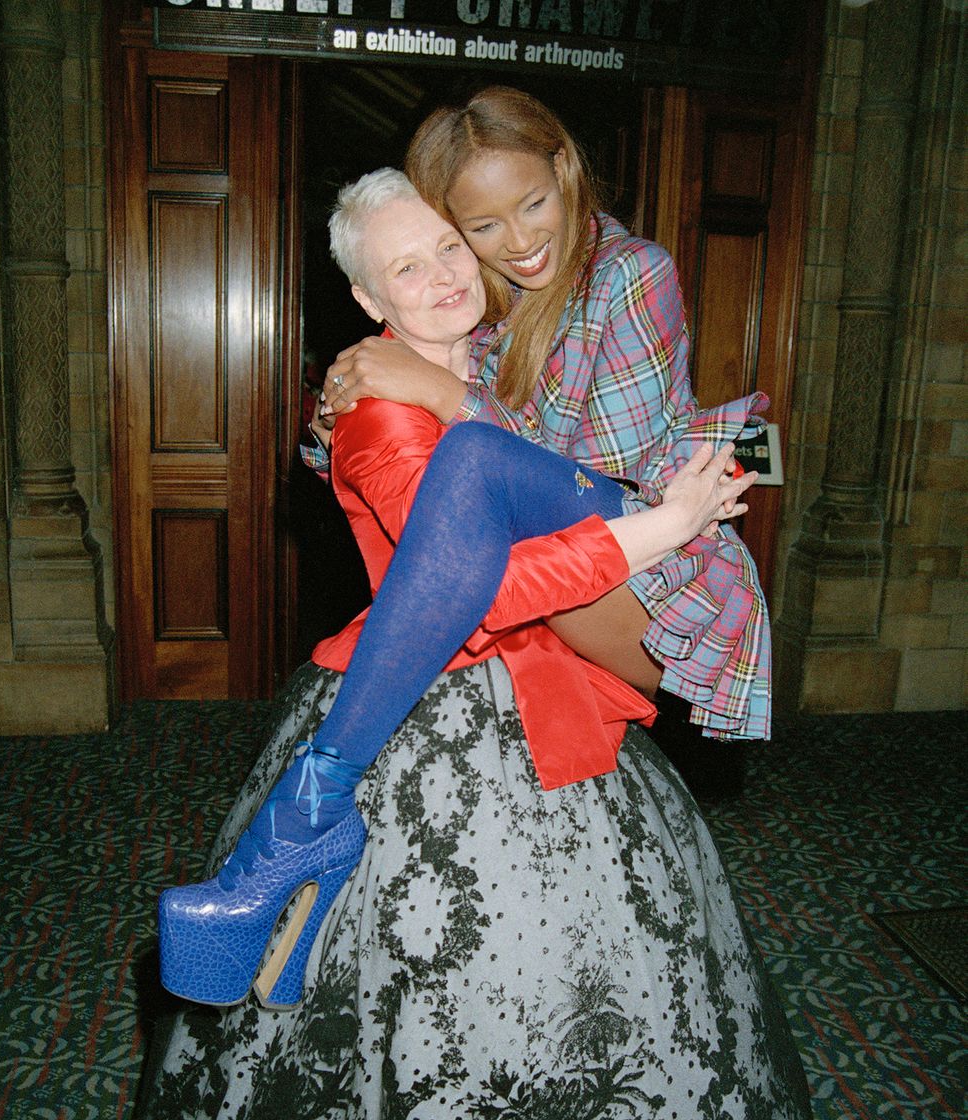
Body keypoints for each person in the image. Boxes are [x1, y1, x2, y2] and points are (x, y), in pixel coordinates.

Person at [114, 170, 825, 1120]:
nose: (446, 273)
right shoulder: (377, 412)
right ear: (367, 299)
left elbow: (588, 295)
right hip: (448, 709)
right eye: (409, 265)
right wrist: (658, 525)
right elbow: (478, 592)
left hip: (558, 678)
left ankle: (300, 821)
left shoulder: (502, 360)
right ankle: (309, 818)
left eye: (450, 247)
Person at [320, 84, 771, 743]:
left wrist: (447, 397)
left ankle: (322, 779)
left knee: (468, 571)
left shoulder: (632, 274)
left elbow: (596, 485)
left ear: (563, 170)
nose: (520, 239)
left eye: (533, 204)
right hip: (567, 571)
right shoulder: (488, 292)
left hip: (655, 575)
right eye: (482, 228)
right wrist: (343, 399)